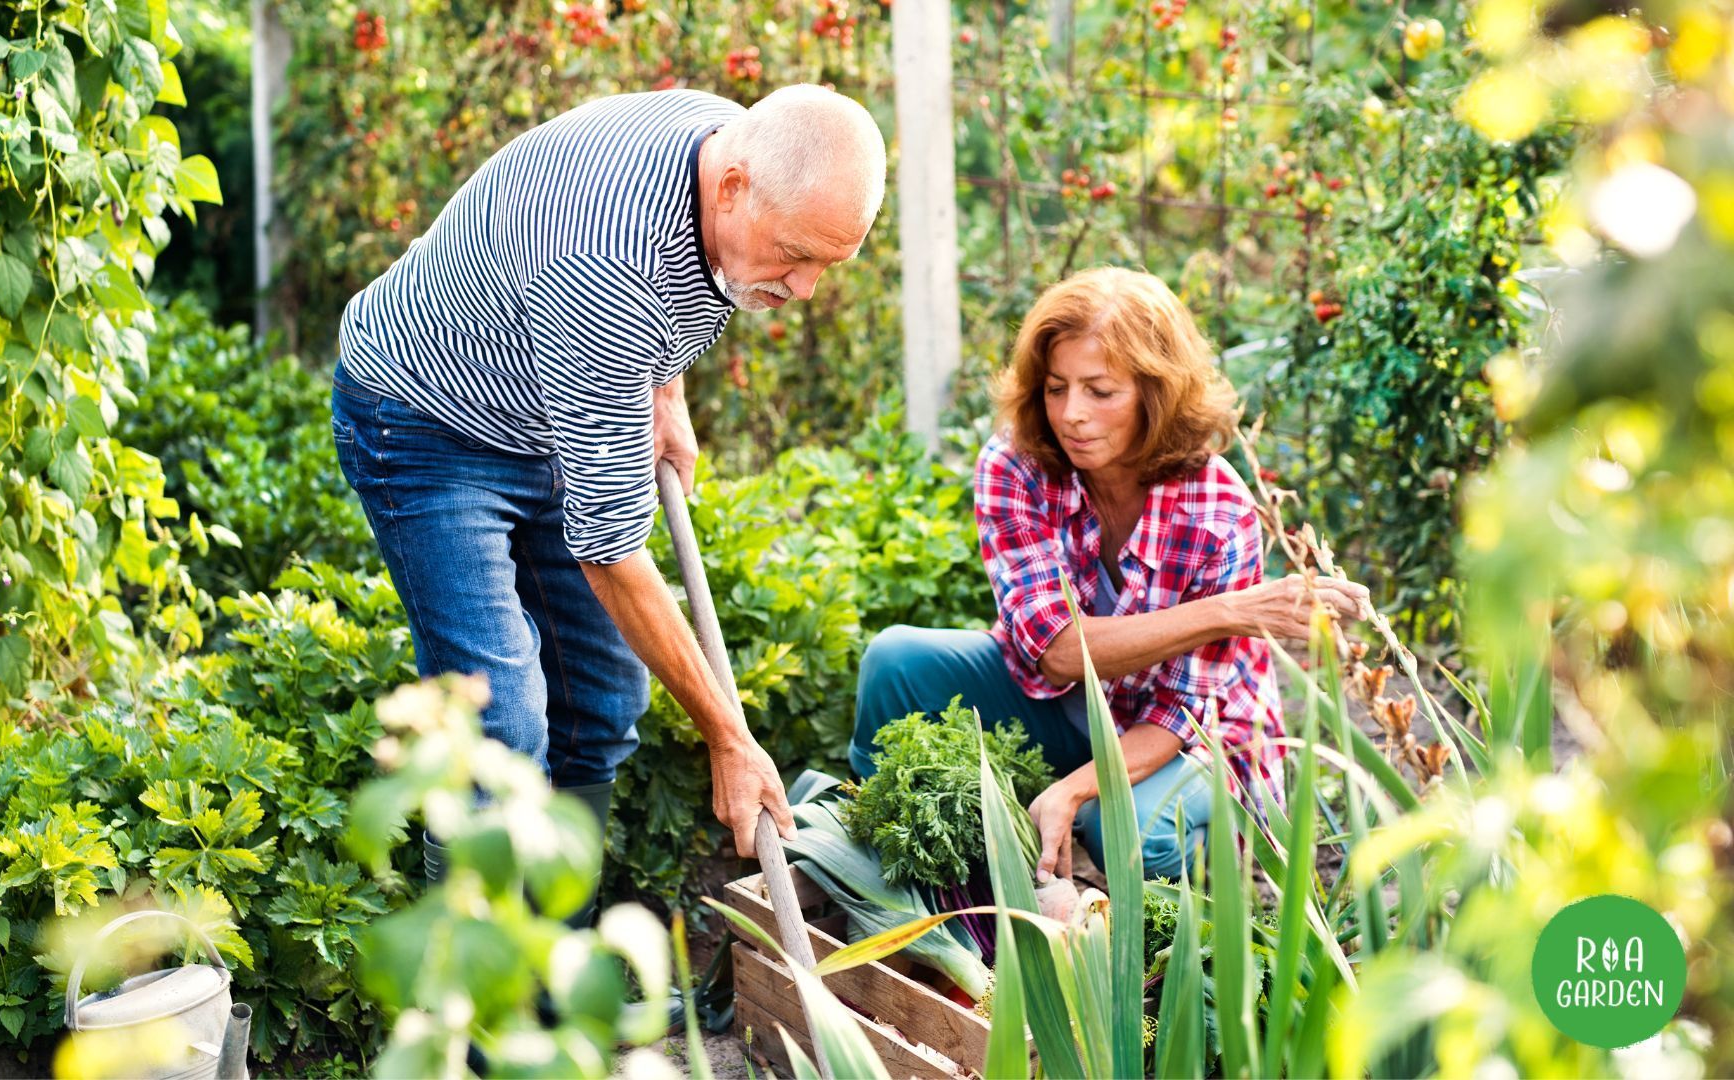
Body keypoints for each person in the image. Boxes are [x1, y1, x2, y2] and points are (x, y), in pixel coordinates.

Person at [331, 85, 887, 910]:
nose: (804, 289)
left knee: (603, 696)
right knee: (502, 727)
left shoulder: (727, 144)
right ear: (733, 186)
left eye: (825, 267)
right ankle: (482, 1018)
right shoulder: (603, 267)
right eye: (795, 255)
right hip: (423, 423)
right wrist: (728, 738)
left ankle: (562, 965)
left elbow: (678, 296)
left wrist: (665, 392)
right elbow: (610, 550)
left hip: (545, 405)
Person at [850, 267, 1369, 881]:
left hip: (1190, 745)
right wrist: (1233, 611)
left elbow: (1179, 715)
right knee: (895, 664)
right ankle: (897, 867)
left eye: (1101, 391)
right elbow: (1055, 651)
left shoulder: (1216, 508)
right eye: (1055, 387)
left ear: (1156, 393)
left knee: (1121, 827)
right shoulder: (1017, 465)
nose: (1072, 414)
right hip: (1064, 704)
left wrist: (1074, 791)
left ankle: (1208, 870)